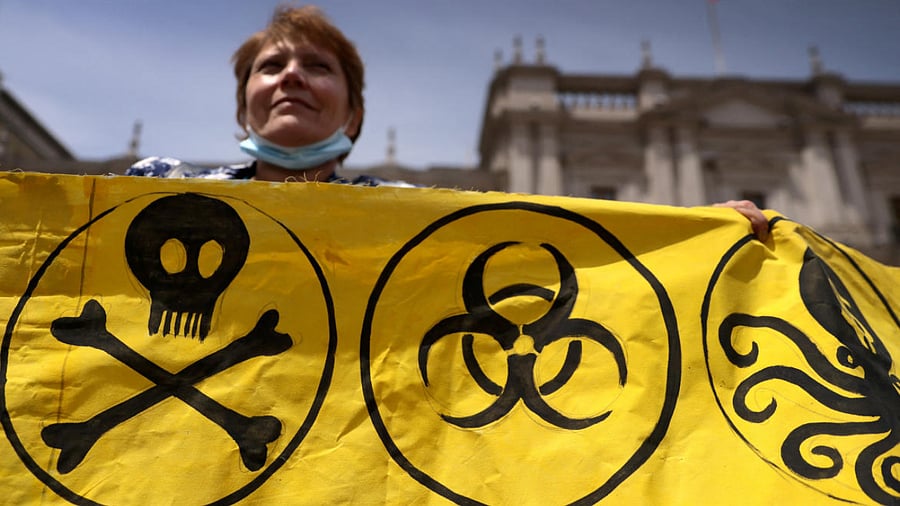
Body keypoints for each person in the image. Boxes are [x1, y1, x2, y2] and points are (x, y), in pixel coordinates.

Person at [125, 4, 768, 240]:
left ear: (354, 110)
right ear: (245, 103)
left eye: (318, 66)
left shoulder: (417, 214)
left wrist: (695, 234)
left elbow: (553, 246)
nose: (291, 76)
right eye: (270, 67)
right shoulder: (156, 188)